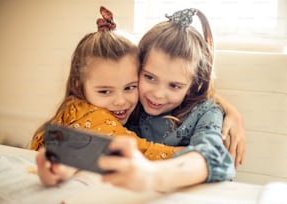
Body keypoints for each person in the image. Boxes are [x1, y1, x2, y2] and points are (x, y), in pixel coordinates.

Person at [32, 6, 181, 186]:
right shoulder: (88, 113)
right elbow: (142, 152)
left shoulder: (113, 106)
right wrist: (199, 155)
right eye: (105, 91)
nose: (120, 101)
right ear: (79, 86)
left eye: (130, 87)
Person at [99, 8, 238, 192]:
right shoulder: (129, 102)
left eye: (174, 86)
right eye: (149, 77)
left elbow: (214, 155)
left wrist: (153, 175)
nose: (157, 94)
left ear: (193, 85)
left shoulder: (205, 112)